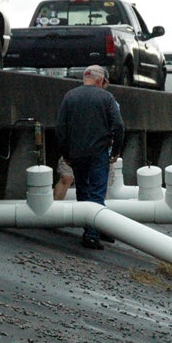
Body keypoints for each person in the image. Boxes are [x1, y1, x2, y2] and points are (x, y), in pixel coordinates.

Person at [56, 65, 124, 249]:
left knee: (83, 191)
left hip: (76, 153)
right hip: (98, 152)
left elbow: (61, 128)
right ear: (100, 80)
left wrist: (66, 153)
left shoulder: (70, 96)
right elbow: (118, 126)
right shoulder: (107, 98)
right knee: (97, 192)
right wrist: (116, 150)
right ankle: (92, 234)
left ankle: (88, 225)